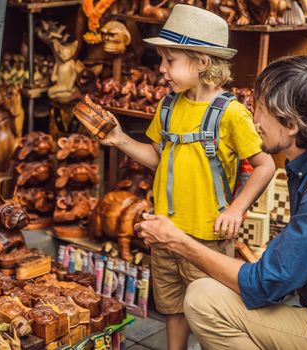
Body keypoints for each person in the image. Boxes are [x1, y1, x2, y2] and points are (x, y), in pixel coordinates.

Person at [136, 56, 307, 350]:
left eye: (260, 108)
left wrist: (177, 241)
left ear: (291, 124)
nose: (253, 118)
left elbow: (261, 286)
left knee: (203, 301)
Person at [98, 5, 275, 349]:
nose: (162, 69)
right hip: (165, 231)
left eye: (170, 60)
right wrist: (119, 139)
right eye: (162, 60)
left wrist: (236, 209)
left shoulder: (232, 114)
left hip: (208, 237)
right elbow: (157, 158)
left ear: (202, 62)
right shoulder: (168, 106)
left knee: (209, 308)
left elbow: (265, 164)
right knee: (172, 306)